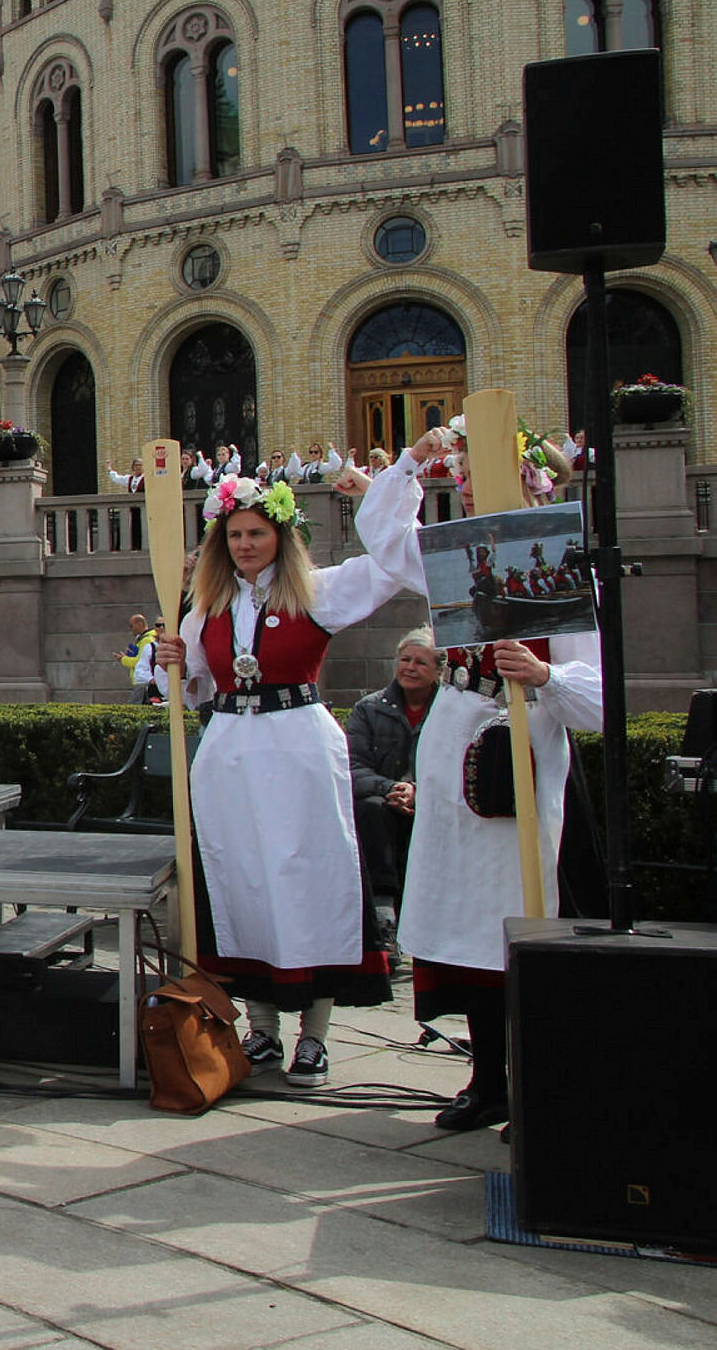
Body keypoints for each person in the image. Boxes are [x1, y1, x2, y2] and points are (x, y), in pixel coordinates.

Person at [152, 431, 442, 1087]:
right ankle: (261, 1028)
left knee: (308, 878)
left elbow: (393, 565)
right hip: (231, 749)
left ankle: (314, 1034)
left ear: (280, 536)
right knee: (244, 881)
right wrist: (171, 662)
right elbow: (195, 682)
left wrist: (395, 477)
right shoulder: (207, 608)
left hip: (300, 746)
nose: (246, 545)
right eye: (235, 536)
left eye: (256, 533)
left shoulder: (317, 589)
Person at [396, 432, 601, 1131]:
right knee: (465, 928)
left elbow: (600, 695)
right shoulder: (456, 561)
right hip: (456, 742)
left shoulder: (561, 566)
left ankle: (540, 1081)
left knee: (519, 918)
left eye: (488, 481)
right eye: (468, 482)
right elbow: (388, 543)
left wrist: (545, 674)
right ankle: (487, 1079)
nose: (474, 493)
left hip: (523, 747)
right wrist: (404, 469)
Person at [344, 629, 440, 933]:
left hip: (434, 802)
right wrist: (391, 789)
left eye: (421, 663)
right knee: (371, 809)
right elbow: (352, 766)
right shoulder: (368, 709)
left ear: (439, 671)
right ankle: (383, 911)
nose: (410, 667)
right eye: (405, 659)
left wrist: (418, 793)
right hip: (383, 800)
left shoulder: (450, 710)